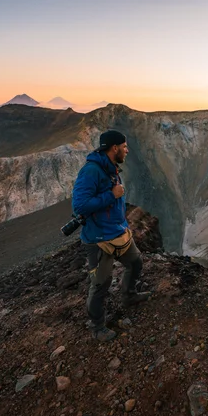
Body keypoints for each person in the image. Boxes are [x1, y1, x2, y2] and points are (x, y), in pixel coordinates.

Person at [72, 130, 151, 341]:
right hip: (99, 240)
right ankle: (98, 327)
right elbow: (79, 206)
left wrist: (123, 224)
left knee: (135, 263)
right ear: (114, 148)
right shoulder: (91, 172)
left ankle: (129, 296)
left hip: (117, 232)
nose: (127, 150)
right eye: (124, 146)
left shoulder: (110, 169)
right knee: (100, 285)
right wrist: (111, 195)